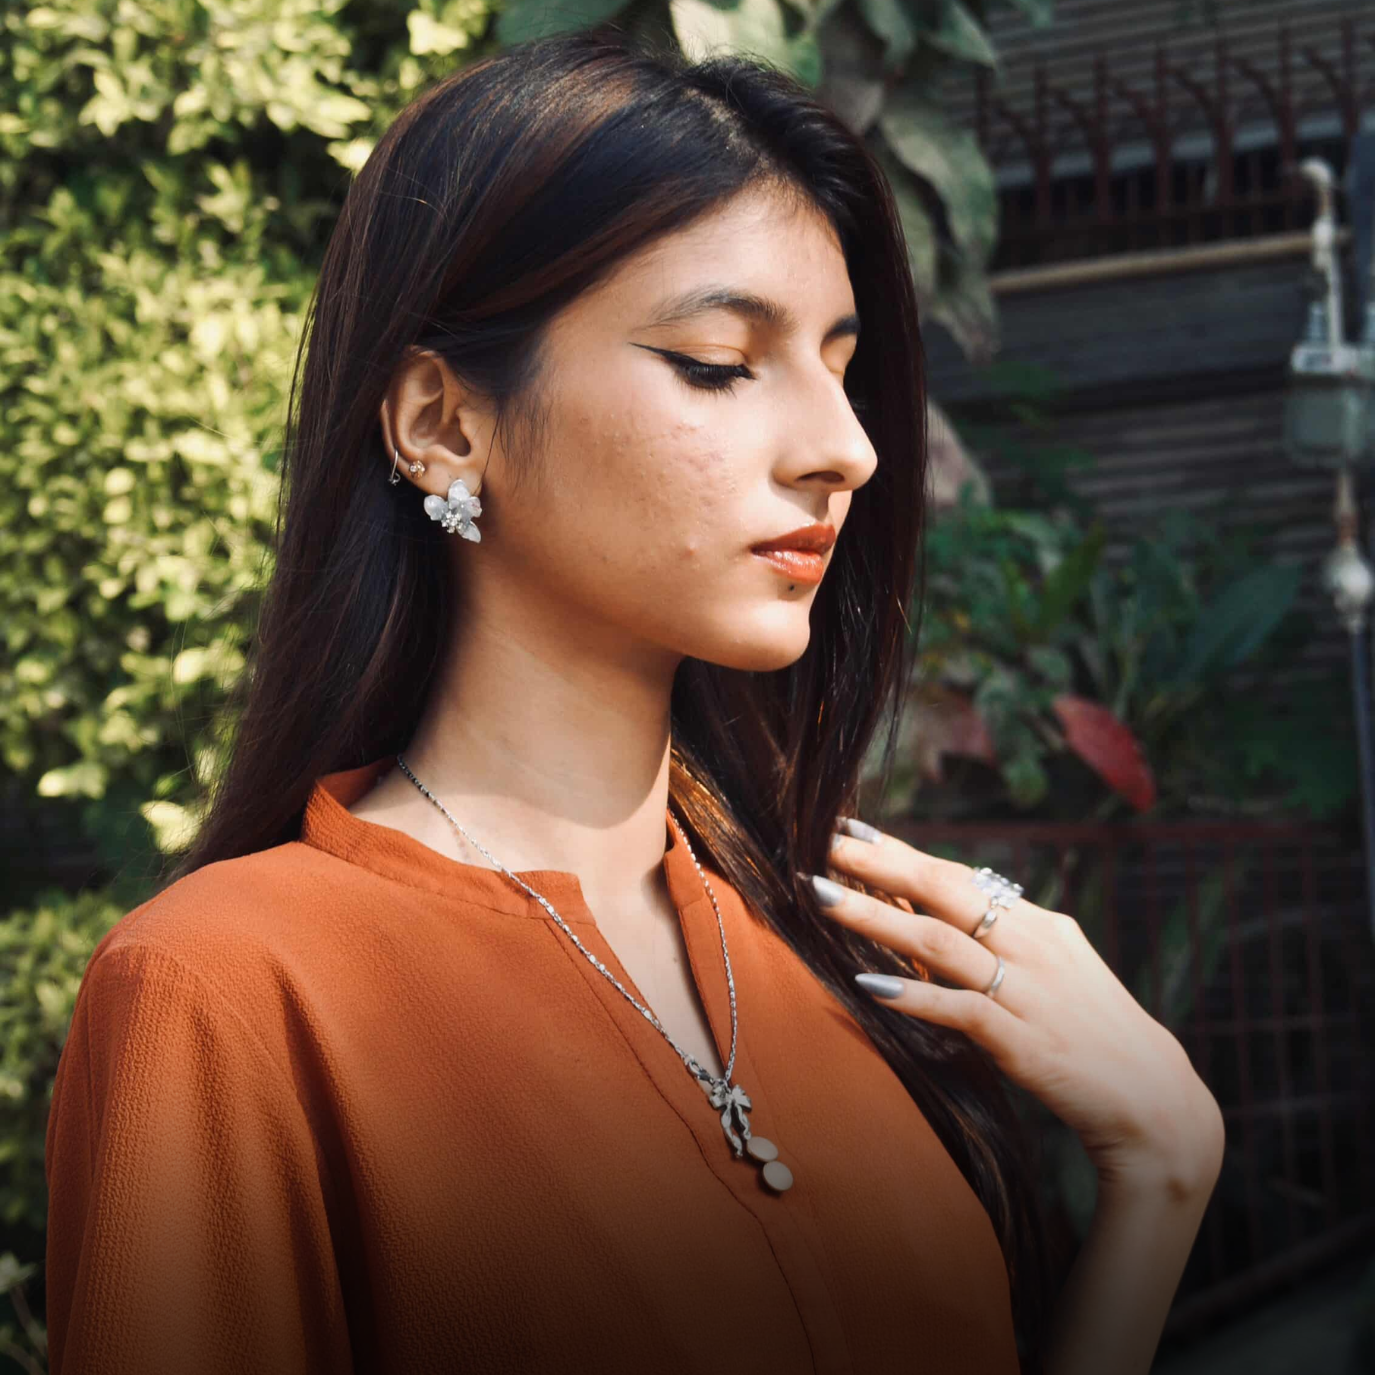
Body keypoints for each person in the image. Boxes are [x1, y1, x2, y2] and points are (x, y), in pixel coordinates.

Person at [43, 30, 1224, 1375]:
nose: (846, 448)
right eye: (719, 361)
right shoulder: (227, 992)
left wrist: (1163, 1170)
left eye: (841, 365)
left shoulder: (830, 960)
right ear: (441, 422)